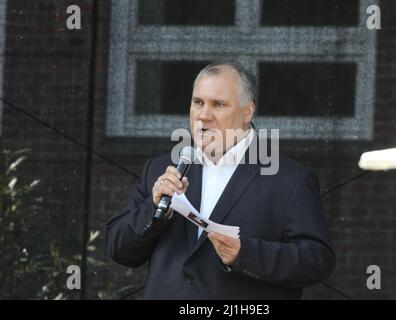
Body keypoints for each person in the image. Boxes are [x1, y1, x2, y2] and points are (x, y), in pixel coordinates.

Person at [106, 61, 335, 299]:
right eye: (198, 103)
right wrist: (154, 209)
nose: (204, 116)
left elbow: (316, 260)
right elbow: (119, 249)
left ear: (247, 112)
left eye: (219, 104)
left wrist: (246, 254)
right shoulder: (162, 169)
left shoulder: (290, 179)